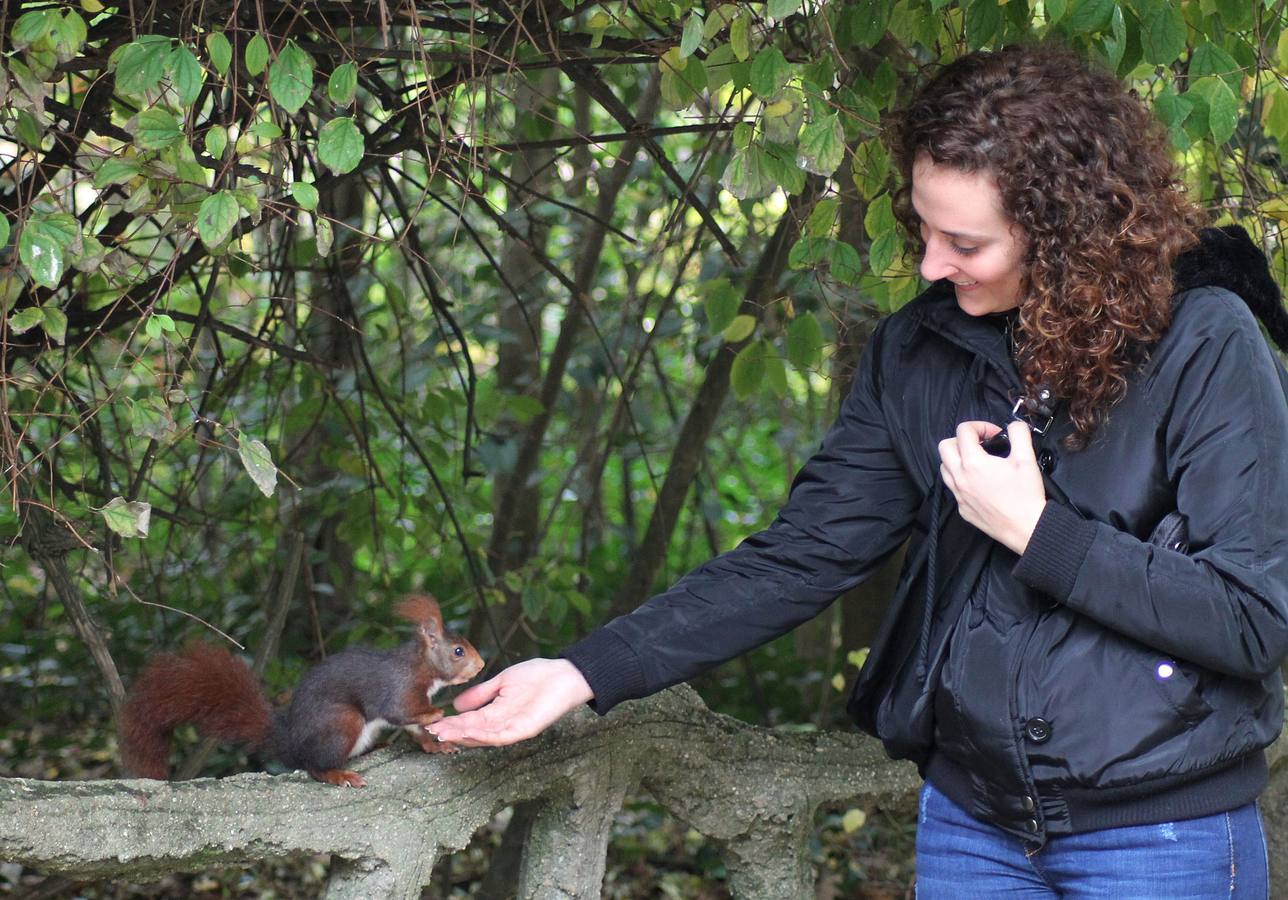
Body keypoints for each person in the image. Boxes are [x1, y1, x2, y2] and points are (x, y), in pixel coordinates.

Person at [431, 45, 1288, 896]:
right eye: (923, 227)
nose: (928, 264)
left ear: (1063, 232)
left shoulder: (1205, 341)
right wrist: (588, 671)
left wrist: (1037, 531)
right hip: (970, 829)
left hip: (1161, 838)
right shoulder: (921, 350)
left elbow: (1253, 619)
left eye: (964, 241)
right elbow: (801, 555)